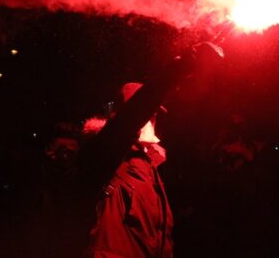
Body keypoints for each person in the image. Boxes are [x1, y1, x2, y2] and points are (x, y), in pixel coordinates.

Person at [85, 42, 224, 258]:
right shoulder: (108, 156)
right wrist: (183, 65)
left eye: (155, 116)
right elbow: (133, 115)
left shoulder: (151, 170)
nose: (153, 121)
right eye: (149, 115)